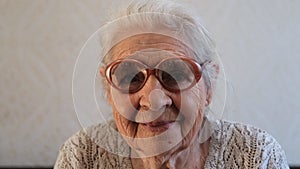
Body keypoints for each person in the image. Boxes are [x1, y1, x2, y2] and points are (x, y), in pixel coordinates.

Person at [55, 0, 289, 168]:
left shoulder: (257, 156)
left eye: (175, 73)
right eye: (130, 77)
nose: (154, 100)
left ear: (208, 88)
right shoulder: (82, 156)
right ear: (109, 91)